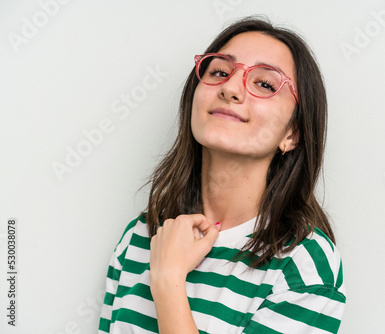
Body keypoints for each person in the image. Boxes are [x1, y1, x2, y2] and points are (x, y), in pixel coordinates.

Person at [98, 16, 346, 334]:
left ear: (293, 134)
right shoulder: (140, 236)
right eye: (219, 72)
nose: (230, 88)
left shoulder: (305, 265)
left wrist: (168, 280)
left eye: (265, 83)